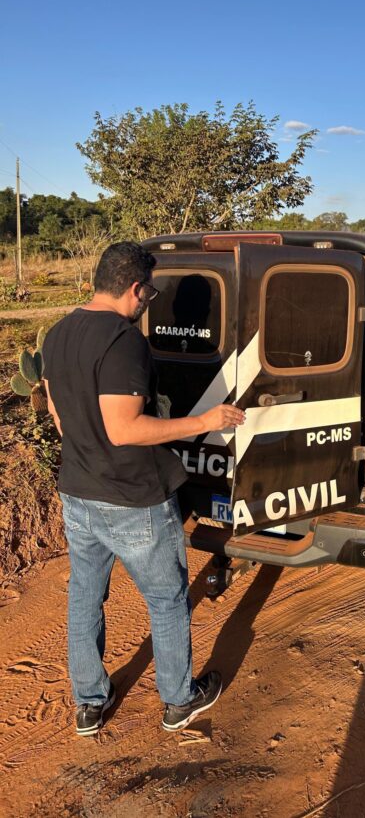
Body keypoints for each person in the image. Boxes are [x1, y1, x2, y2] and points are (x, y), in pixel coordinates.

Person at [42, 241, 245, 736]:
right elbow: (125, 429)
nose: (147, 303)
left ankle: (90, 703)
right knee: (168, 599)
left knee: (85, 597)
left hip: (78, 492)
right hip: (133, 498)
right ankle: (178, 699)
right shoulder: (123, 340)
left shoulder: (58, 333)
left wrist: (90, 454)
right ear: (135, 288)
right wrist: (204, 420)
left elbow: (57, 414)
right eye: (148, 294)